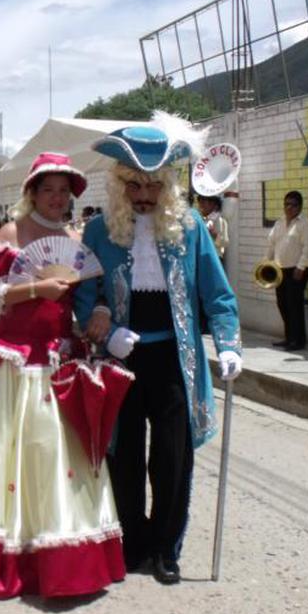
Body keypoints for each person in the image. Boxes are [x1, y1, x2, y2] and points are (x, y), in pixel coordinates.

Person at [0, 152, 129, 599]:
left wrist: (99, 311)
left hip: (56, 358)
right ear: (31, 192)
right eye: (48, 190)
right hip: (15, 362)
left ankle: (55, 554)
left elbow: (90, 293)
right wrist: (37, 288)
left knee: (51, 455)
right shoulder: (11, 234)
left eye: (63, 192)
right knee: (3, 456)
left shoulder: (73, 238)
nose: (56, 199)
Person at [75, 117, 242, 586]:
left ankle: (167, 547)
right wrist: (105, 336)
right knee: (123, 456)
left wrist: (228, 345)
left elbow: (218, 294)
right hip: (121, 360)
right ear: (119, 184)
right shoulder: (98, 233)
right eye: (134, 186)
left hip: (174, 362)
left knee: (172, 459)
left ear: (167, 185)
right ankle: (134, 543)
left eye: (152, 186)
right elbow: (84, 298)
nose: (144, 197)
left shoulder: (190, 228)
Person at [265, 190, 308, 350]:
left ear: (300, 206)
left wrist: (301, 267)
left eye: (293, 205)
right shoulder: (279, 223)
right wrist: (266, 264)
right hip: (280, 270)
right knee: (282, 304)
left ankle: (298, 341)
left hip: (296, 270)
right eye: (286, 204)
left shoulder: (306, 224)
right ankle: (288, 337)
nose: (289, 208)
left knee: (295, 306)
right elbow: (271, 245)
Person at [196, 195, 228, 261]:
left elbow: (225, 242)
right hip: (203, 257)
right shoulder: (202, 220)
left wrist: (214, 234)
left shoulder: (220, 220)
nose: (201, 207)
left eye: (203, 204)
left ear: (214, 205)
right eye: (200, 203)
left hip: (214, 258)